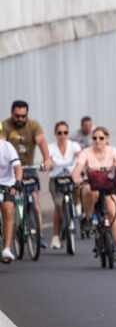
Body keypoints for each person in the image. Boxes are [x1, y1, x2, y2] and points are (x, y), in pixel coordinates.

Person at [71, 126, 116, 261]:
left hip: (109, 187)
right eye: (94, 138)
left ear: (107, 139)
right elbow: (76, 172)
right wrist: (77, 179)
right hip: (92, 186)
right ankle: (88, 218)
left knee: (113, 213)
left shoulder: (113, 151)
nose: (97, 141)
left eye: (101, 138)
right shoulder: (86, 152)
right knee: (89, 191)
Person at [3, 100, 53, 246]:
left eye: (23, 116)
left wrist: (47, 159)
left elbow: (41, 142)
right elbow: (2, 144)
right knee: (9, 201)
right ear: (12, 113)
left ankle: (39, 234)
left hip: (29, 167)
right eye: (17, 116)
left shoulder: (34, 125)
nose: (20, 119)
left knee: (35, 199)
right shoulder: (5, 126)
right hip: (11, 169)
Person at [47, 121, 82, 249]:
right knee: (58, 206)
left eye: (65, 132)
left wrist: (80, 160)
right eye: (59, 133)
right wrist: (49, 164)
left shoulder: (74, 145)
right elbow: (48, 160)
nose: (62, 135)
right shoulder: (50, 147)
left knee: (79, 184)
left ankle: (78, 204)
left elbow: (80, 156)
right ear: (55, 134)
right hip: (56, 180)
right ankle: (56, 236)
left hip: (71, 177)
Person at [0, 121, 22, 263]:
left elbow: (17, 167)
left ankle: (7, 249)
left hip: (6, 183)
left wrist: (17, 182)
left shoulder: (7, 147)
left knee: (8, 210)